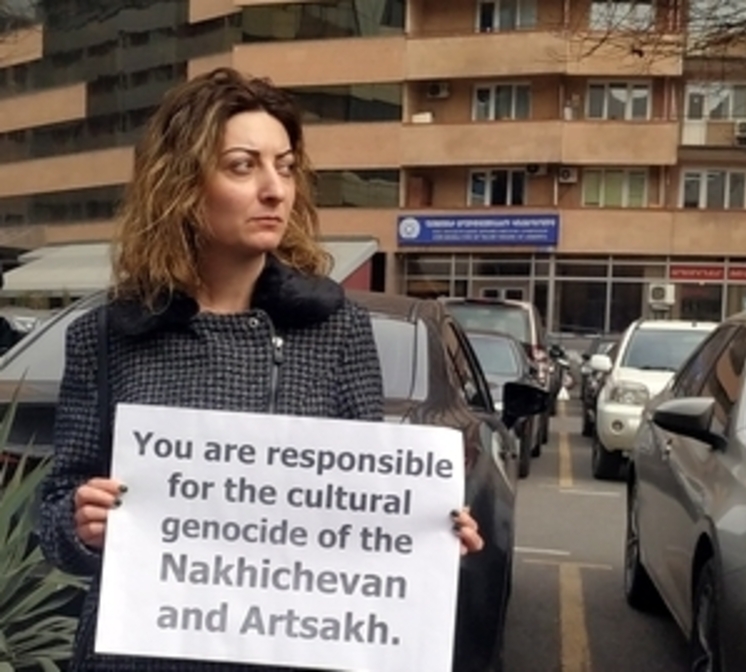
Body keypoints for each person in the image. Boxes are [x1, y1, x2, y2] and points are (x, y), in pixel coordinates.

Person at [37, 67, 485, 671]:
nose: (275, 189)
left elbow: (361, 503)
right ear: (182, 184)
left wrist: (423, 537)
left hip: (288, 653)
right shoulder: (108, 335)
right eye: (244, 166)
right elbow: (58, 509)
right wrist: (81, 523)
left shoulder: (337, 329)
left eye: (286, 165)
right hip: (137, 654)